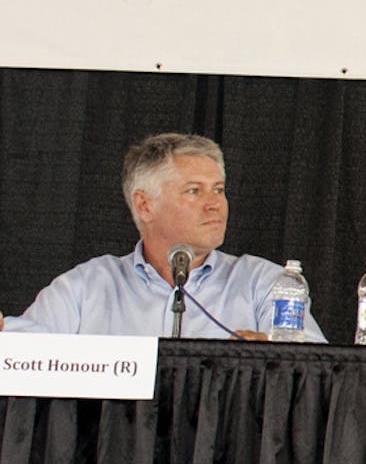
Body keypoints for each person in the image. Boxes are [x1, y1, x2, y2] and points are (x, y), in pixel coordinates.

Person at [1, 133, 325, 341]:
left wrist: (273, 362)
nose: (214, 204)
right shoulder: (87, 287)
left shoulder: (266, 283)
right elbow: (25, 354)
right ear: (145, 205)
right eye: (194, 191)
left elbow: (314, 376)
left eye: (218, 190)